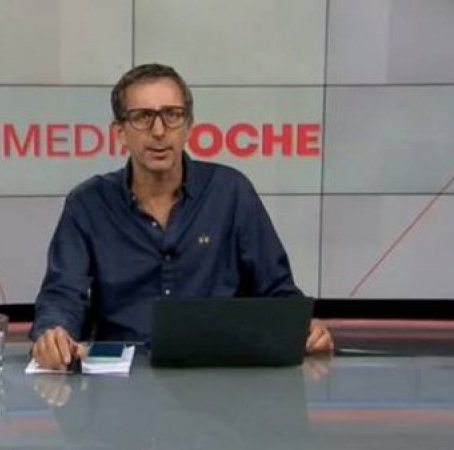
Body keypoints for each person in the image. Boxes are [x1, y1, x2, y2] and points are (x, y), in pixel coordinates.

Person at [29, 63, 333, 369]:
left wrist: (306, 327)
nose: (159, 131)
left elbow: (277, 290)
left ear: (189, 125)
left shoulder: (230, 192)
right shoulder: (88, 204)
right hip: (122, 374)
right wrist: (55, 332)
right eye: (142, 117)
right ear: (119, 132)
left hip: (218, 372)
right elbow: (62, 294)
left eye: (172, 115)